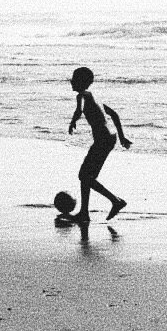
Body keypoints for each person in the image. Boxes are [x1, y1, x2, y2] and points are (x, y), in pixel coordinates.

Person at [66, 67, 131, 223]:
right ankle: (84, 213)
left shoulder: (82, 96)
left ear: (81, 82)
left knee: (84, 176)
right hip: (109, 138)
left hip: (103, 140)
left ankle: (116, 201)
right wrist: (122, 137)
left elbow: (80, 108)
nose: (71, 81)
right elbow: (114, 114)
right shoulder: (95, 97)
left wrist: (73, 120)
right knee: (87, 176)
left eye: (74, 79)